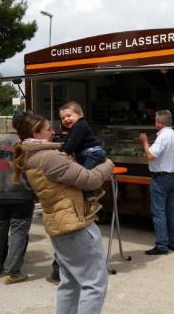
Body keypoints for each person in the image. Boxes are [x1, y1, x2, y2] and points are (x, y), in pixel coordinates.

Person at [13, 114, 114, 314]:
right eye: (49, 128)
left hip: (60, 225)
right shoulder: (48, 157)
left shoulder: (32, 157)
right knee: (94, 285)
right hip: (75, 225)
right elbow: (90, 179)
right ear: (36, 133)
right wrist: (108, 163)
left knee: (70, 282)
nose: (53, 131)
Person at [0, 111, 34, 285]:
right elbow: (32, 172)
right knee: (18, 233)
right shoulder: (25, 145)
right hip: (20, 194)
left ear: (12, 124)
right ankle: (13, 271)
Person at [138, 109, 174, 255]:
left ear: (159, 123)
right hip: (173, 176)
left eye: (156, 121)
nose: (155, 123)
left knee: (159, 212)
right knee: (171, 210)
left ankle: (162, 245)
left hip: (161, 178)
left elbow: (150, 155)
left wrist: (144, 142)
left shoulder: (163, 137)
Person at [59, 101, 106, 218]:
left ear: (80, 114)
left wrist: (65, 151)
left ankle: (90, 195)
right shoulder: (74, 128)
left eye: (69, 116)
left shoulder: (81, 125)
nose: (66, 119)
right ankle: (92, 192)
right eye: (63, 118)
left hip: (94, 153)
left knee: (83, 175)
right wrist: (61, 149)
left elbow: (73, 141)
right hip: (88, 154)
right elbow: (68, 140)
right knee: (83, 174)